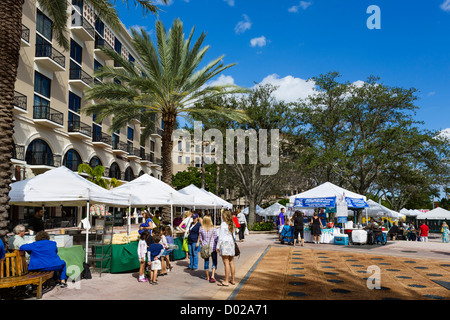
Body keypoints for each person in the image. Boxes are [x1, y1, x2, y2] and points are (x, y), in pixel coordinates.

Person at [216, 210, 236, 287]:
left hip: (225, 243)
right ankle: (233, 279)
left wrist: (218, 246)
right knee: (232, 262)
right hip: (231, 244)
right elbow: (234, 235)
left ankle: (226, 281)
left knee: (226, 263)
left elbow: (220, 237)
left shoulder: (223, 224)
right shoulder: (232, 224)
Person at [199, 215, 218, 283]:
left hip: (205, 247)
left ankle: (207, 277)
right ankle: (212, 275)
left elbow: (201, 239)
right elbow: (216, 238)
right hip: (213, 247)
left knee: (206, 262)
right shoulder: (213, 228)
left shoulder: (201, 228)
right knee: (214, 261)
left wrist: (202, 245)